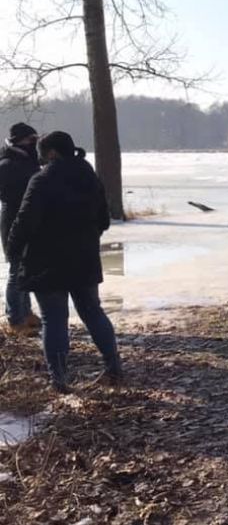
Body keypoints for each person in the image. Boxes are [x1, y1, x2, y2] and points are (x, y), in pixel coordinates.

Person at [6, 131, 120, 392]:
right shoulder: (89, 176)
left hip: (46, 262)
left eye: (41, 153)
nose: (40, 158)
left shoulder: (42, 180)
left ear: (52, 153)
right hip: (85, 258)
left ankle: (59, 380)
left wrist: (14, 251)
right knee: (93, 311)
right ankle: (114, 369)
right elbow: (104, 219)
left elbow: (24, 221)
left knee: (53, 319)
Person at [0, 123, 41, 335]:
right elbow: (8, 195)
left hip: (30, 221)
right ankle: (15, 318)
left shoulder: (29, 160)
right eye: (30, 139)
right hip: (13, 222)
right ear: (19, 140)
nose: (33, 143)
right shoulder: (7, 164)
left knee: (26, 270)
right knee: (16, 271)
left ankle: (26, 312)